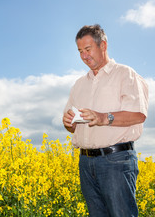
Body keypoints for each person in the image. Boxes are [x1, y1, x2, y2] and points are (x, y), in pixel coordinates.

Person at [62, 24, 148, 217]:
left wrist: (103, 118)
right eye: (80, 51)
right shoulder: (79, 84)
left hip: (116, 161)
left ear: (103, 46)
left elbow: (138, 115)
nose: (84, 56)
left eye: (88, 49)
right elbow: (71, 127)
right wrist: (69, 123)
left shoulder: (125, 74)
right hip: (85, 162)